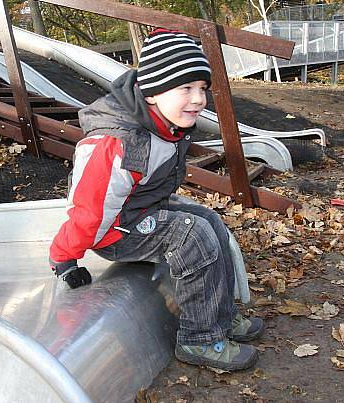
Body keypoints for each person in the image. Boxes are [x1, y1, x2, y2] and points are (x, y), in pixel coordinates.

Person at [48, 29, 263, 371]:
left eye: (202, 89)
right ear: (153, 91)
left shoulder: (167, 121)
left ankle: (221, 317)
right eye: (185, 88)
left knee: (208, 221)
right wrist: (65, 258)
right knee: (190, 235)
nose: (198, 99)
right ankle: (200, 338)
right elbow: (90, 210)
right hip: (112, 231)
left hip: (140, 210)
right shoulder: (116, 143)